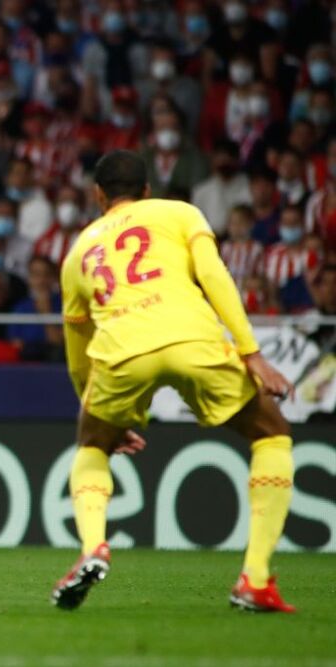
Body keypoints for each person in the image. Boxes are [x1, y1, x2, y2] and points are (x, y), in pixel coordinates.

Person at [53, 150, 296, 612]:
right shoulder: (180, 213)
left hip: (121, 351)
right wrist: (252, 353)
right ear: (147, 190)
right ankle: (255, 579)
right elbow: (213, 275)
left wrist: (94, 409)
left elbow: (76, 344)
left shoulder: (78, 251)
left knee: (91, 448)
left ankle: (92, 548)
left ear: (98, 195)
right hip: (193, 339)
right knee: (271, 433)